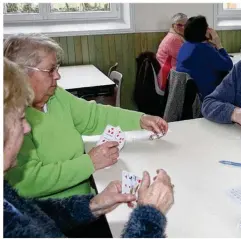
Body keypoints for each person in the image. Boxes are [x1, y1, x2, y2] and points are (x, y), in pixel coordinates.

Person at [3, 58, 175, 238]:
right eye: (21, 118)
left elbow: (34, 215)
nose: (27, 127)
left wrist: (92, 205)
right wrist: (150, 216)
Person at [3, 34, 169, 200]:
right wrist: (89, 163)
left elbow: (94, 115)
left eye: (57, 68)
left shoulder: (55, 96)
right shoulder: (12, 123)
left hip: (87, 199)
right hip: (56, 215)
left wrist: (139, 119)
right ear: (21, 75)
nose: (57, 76)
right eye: (50, 70)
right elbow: (27, 183)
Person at [176, 15, 233, 100]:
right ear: (203, 31)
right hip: (205, 94)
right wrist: (218, 44)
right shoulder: (205, 49)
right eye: (207, 27)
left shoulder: (185, 45)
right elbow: (228, 65)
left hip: (187, 95)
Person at [156, 13, 188, 91]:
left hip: (170, 73)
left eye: (185, 25)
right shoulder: (174, 39)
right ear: (173, 25)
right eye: (179, 25)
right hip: (169, 77)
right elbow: (186, 59)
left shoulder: (175, 36)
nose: (183, 27)